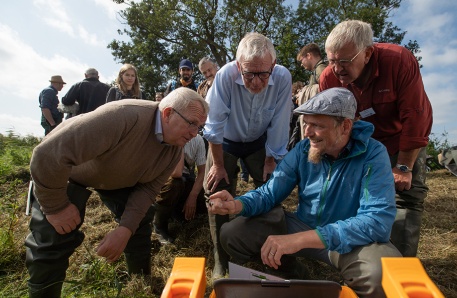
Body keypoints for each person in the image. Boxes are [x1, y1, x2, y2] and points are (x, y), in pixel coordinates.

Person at [208, 88, 402, 298]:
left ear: (345, 126)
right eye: (306, 123)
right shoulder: (303, 149)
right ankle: (291, 272)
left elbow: (377, 221)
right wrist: (237, 204)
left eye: (317, 125)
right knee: (233, 234)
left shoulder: (373, 154)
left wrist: (302, 239)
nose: (307, 132)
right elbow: (269, 192)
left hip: (348, 242)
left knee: (385, 274)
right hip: (303, 227)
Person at [25, 88, 209, 297]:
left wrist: (125, 229)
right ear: (167, 114)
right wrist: (55, 207)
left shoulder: (174, 148)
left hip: (119, 178)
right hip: (70, 173)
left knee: (139, 221)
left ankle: (140, 283)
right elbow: (47, 154)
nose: (195, 134)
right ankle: (42, 293)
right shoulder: (122, 116)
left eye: (200, 127)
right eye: (192, 123)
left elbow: (148, 190)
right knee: (54, 233)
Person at [319, 20, 433, 257]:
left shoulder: (398, 61)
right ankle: (359, 258)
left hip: (399, 139)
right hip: (362, 142)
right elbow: (330, 123)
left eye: (344, 61)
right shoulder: (328, 78)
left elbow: (416, 116)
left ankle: (400, 264)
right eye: (331, 60)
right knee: (356, 196)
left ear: (368, 53)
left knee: (405, 197)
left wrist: (403, 166)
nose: (337, 69)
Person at [203, 32, 292, 278]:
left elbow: (281, 120)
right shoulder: (225, 76)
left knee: (271, 189)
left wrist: (271, 158)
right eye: (248, 73)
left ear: (273, 66)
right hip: (225, 143)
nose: (255, 82)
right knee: (217, 190)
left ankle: (270, 249)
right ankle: (221, 259)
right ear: (238, 65)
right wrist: (218, 165)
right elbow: (214, 126)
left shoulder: (283, 77)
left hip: (258, 142)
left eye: (263, 74)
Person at [152, 133, 207, 244]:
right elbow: (176, 173)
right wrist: (179, 145)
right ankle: (159, 225)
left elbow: (202, 172)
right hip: (165, 180)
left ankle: (177, 212)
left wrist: (192, 197)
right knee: (175, 183)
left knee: (205, 195)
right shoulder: (164, 137)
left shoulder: (198, 140)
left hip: (186, 179)